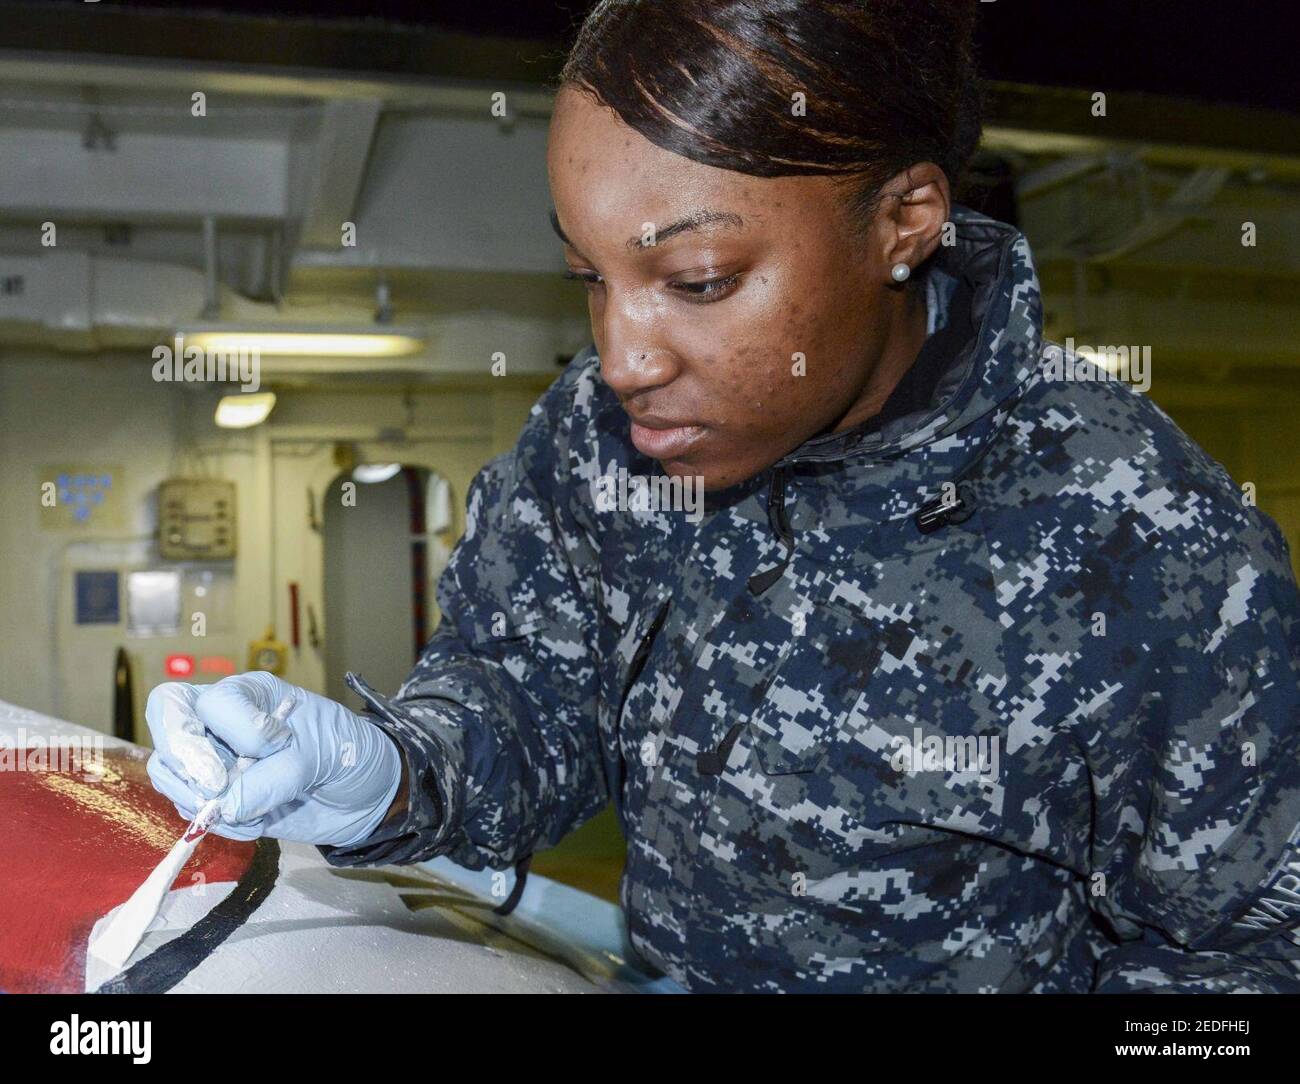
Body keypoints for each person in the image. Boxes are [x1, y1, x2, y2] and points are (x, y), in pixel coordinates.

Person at [145, 0, 1300, 992]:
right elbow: (534, 691)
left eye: (696, 281)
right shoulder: (600, 437)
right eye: (588, 278)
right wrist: (389, 772)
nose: (623, 357)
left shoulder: (1143, 535)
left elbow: (1241, 953)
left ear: (905, 218)